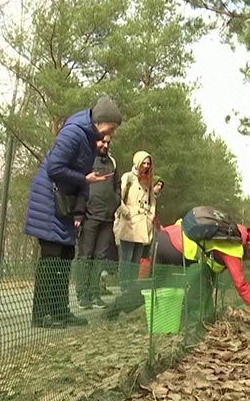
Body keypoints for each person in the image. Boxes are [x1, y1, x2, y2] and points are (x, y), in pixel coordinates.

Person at [24, 96, 121, 328]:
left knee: (66, 256)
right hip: (50, 201)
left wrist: (80, 205)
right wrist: (84, 179)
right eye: (112, 127)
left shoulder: (89, 139)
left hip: (65, 203)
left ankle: (60, 310)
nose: (112, 133)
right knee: (51, 257)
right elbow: (55, 167)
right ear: (101, 121)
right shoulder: (73, 133)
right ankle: (41, 314)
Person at [106, 215, 250, 336]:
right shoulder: (233, 246)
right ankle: (113, 310)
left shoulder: (230, 229)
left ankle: (186, 319)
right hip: (173, 246)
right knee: (152, 285)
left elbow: (211, 269)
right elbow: (241, 284)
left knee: (200, 281)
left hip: (168, 236)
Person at [75, 134, 119, 310]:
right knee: (86, 256)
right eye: (102, 141)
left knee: (100, 257)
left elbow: (117, 186)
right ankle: (82, 294)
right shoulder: (86, 160)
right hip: (89, 216)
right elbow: (79, 185)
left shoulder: (112, 163)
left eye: (108, 142)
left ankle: (94, 293)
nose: (105, 145)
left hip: (107, 218)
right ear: (95, 141)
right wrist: (79, 213)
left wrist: (115, 202)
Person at [113, 151, 156, 288]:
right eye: (143, 162)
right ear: (137, 162)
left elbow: (152, 201)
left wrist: (151, 216)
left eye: (148, 163)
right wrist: (125, 212)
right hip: (129, 222)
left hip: (142, 223)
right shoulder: (129, 177)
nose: (146, 166)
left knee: (136, 259)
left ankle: (131, 286)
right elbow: (118, 196)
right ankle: (124, 286)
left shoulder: (148, 180)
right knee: (127, 257)